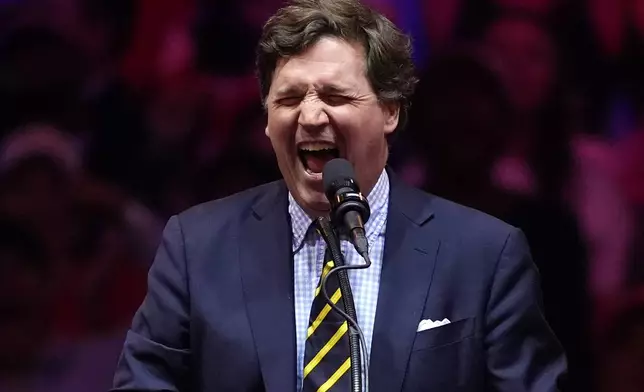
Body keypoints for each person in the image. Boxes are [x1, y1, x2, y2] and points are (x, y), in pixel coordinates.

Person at [111, 0, 566, 391]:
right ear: (267, 119)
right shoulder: (197, 246)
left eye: (335, 96)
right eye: (288, 99)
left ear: (390, 111)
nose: (310, 117)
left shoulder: (484, 255)